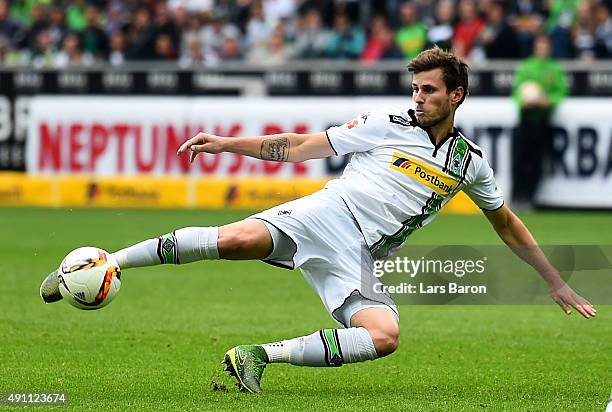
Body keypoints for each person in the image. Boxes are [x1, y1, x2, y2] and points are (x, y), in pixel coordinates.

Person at [40, 47, 595, 394]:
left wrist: (554, 279)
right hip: (328, 213)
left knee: (383, 336)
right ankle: (106, 263)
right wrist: (229, 145)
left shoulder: (470, 163)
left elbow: (506, 222)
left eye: (429, 90)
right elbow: (301, 146)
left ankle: (257, 357)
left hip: (359, 256)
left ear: (457, 95)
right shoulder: (385, 124)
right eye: (415, 88)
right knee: (235, 239)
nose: (419, 98)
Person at [511, 33, 567, 205]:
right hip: (525, 120)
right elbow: (516, 91)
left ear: (549, 48)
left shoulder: (554, 68)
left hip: (541, 122)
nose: (542, 49)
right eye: (540, 46)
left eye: (545, 46)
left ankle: (530, 197)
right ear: (535, 47)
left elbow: (560, 92)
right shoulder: (527, 67)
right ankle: (516, 196)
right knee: (519, 159)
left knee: (536, 162)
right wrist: (523, 102)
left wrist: (546, 101)